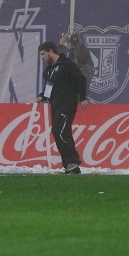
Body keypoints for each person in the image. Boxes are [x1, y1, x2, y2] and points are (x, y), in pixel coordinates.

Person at [37, 41, 89, 174]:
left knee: (61, 131)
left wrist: (82, 97)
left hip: (67, 104)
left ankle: (73, 163)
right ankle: (69, 165)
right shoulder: (48, 71)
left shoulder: (67, 65)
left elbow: (80, 79)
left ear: (50, 51)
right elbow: (49, 87)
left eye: (43, 54)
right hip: (55, 105)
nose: (42, 57)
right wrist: (43, 96)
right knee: (57, 131)